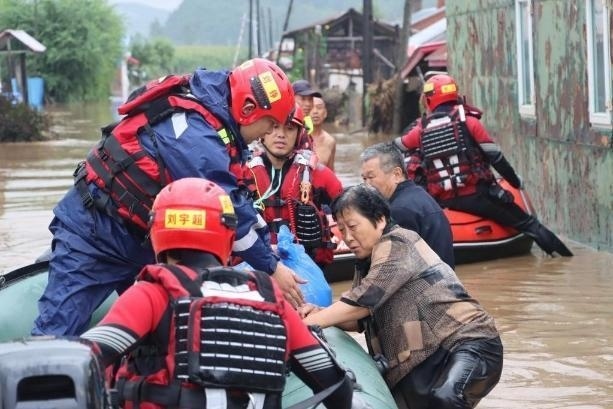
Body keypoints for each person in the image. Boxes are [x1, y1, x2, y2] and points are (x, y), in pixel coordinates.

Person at [33, 58, 306, 337]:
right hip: (94, 235)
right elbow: (229, 212)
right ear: (248, 110)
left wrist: (269, 252)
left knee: (170, 336)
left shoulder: (217, 117)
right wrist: (271, 268)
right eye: (270, 123)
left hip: (142, 244)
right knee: (56, 331)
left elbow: (239, 201)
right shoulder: (196, 136)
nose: (270, 132)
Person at [81, 177, 354, 409]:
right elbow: (335, 385)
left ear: (156, 232)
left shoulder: (152, 294)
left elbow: (82, 358)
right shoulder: (269, 297)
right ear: (229, 235)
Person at [300, 184, 503, 409]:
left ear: (380, 220)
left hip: (467, 343)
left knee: (447, 398)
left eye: (353, 227)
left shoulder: (398, 243)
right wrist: (320, 313)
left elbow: (363, 303)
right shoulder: (366, 263)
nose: (348, 237)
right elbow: (358, 320)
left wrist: (303, 325)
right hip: (423, 360)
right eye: (342, 229)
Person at [394, 73, 573, 257]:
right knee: (528, 224)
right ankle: (564, 258)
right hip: (476, 196)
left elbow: (396, 147)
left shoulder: (419, 131)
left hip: (444, 200)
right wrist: (515, 182)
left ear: (429, 100)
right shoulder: (470, 123)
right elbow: (496, 158)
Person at [247, 103, 342, 267]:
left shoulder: (319, 174)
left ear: (299, 134)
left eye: (290, 128)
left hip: (308, 264)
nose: (281, 135)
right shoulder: (244, 174)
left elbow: (349, 210)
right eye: (274, 127)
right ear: (261, 131)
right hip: (259, 265)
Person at [360, 142, 455, 268]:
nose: (366, 185)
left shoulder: (399, 211)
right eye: (364, 179)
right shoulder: (419, 195)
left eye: (371, 177)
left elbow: (395, 269)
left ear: (397, 174)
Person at [310, 96, 337, 171]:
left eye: (319, 108)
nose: (315, 111)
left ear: (325, 113)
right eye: (311, 108)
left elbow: (331, 172)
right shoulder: (298, 137)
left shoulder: (330, 141)